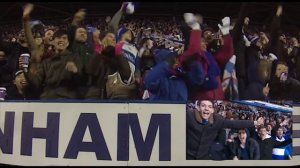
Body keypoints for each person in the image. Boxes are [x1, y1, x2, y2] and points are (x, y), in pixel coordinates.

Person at [186, 100, 264, 160]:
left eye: (209, 106)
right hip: (187, 156)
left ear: (213, 110)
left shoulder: (217, 121)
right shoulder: (189, 116)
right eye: (203, 106)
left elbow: (234, 124)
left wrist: (255, 122)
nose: (206, 109)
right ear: (198, 108)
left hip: (204, 157)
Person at [23, 29, 83, 99]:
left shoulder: (75, 58)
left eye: (64, 38)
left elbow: (81, 81)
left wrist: (75, 71)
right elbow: (36, 83)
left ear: (68, 43)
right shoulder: (46, 62)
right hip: (48, 99)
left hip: (68, 99)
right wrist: (25, 69)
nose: (61, 40)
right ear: (53, 42)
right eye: (58, 38)